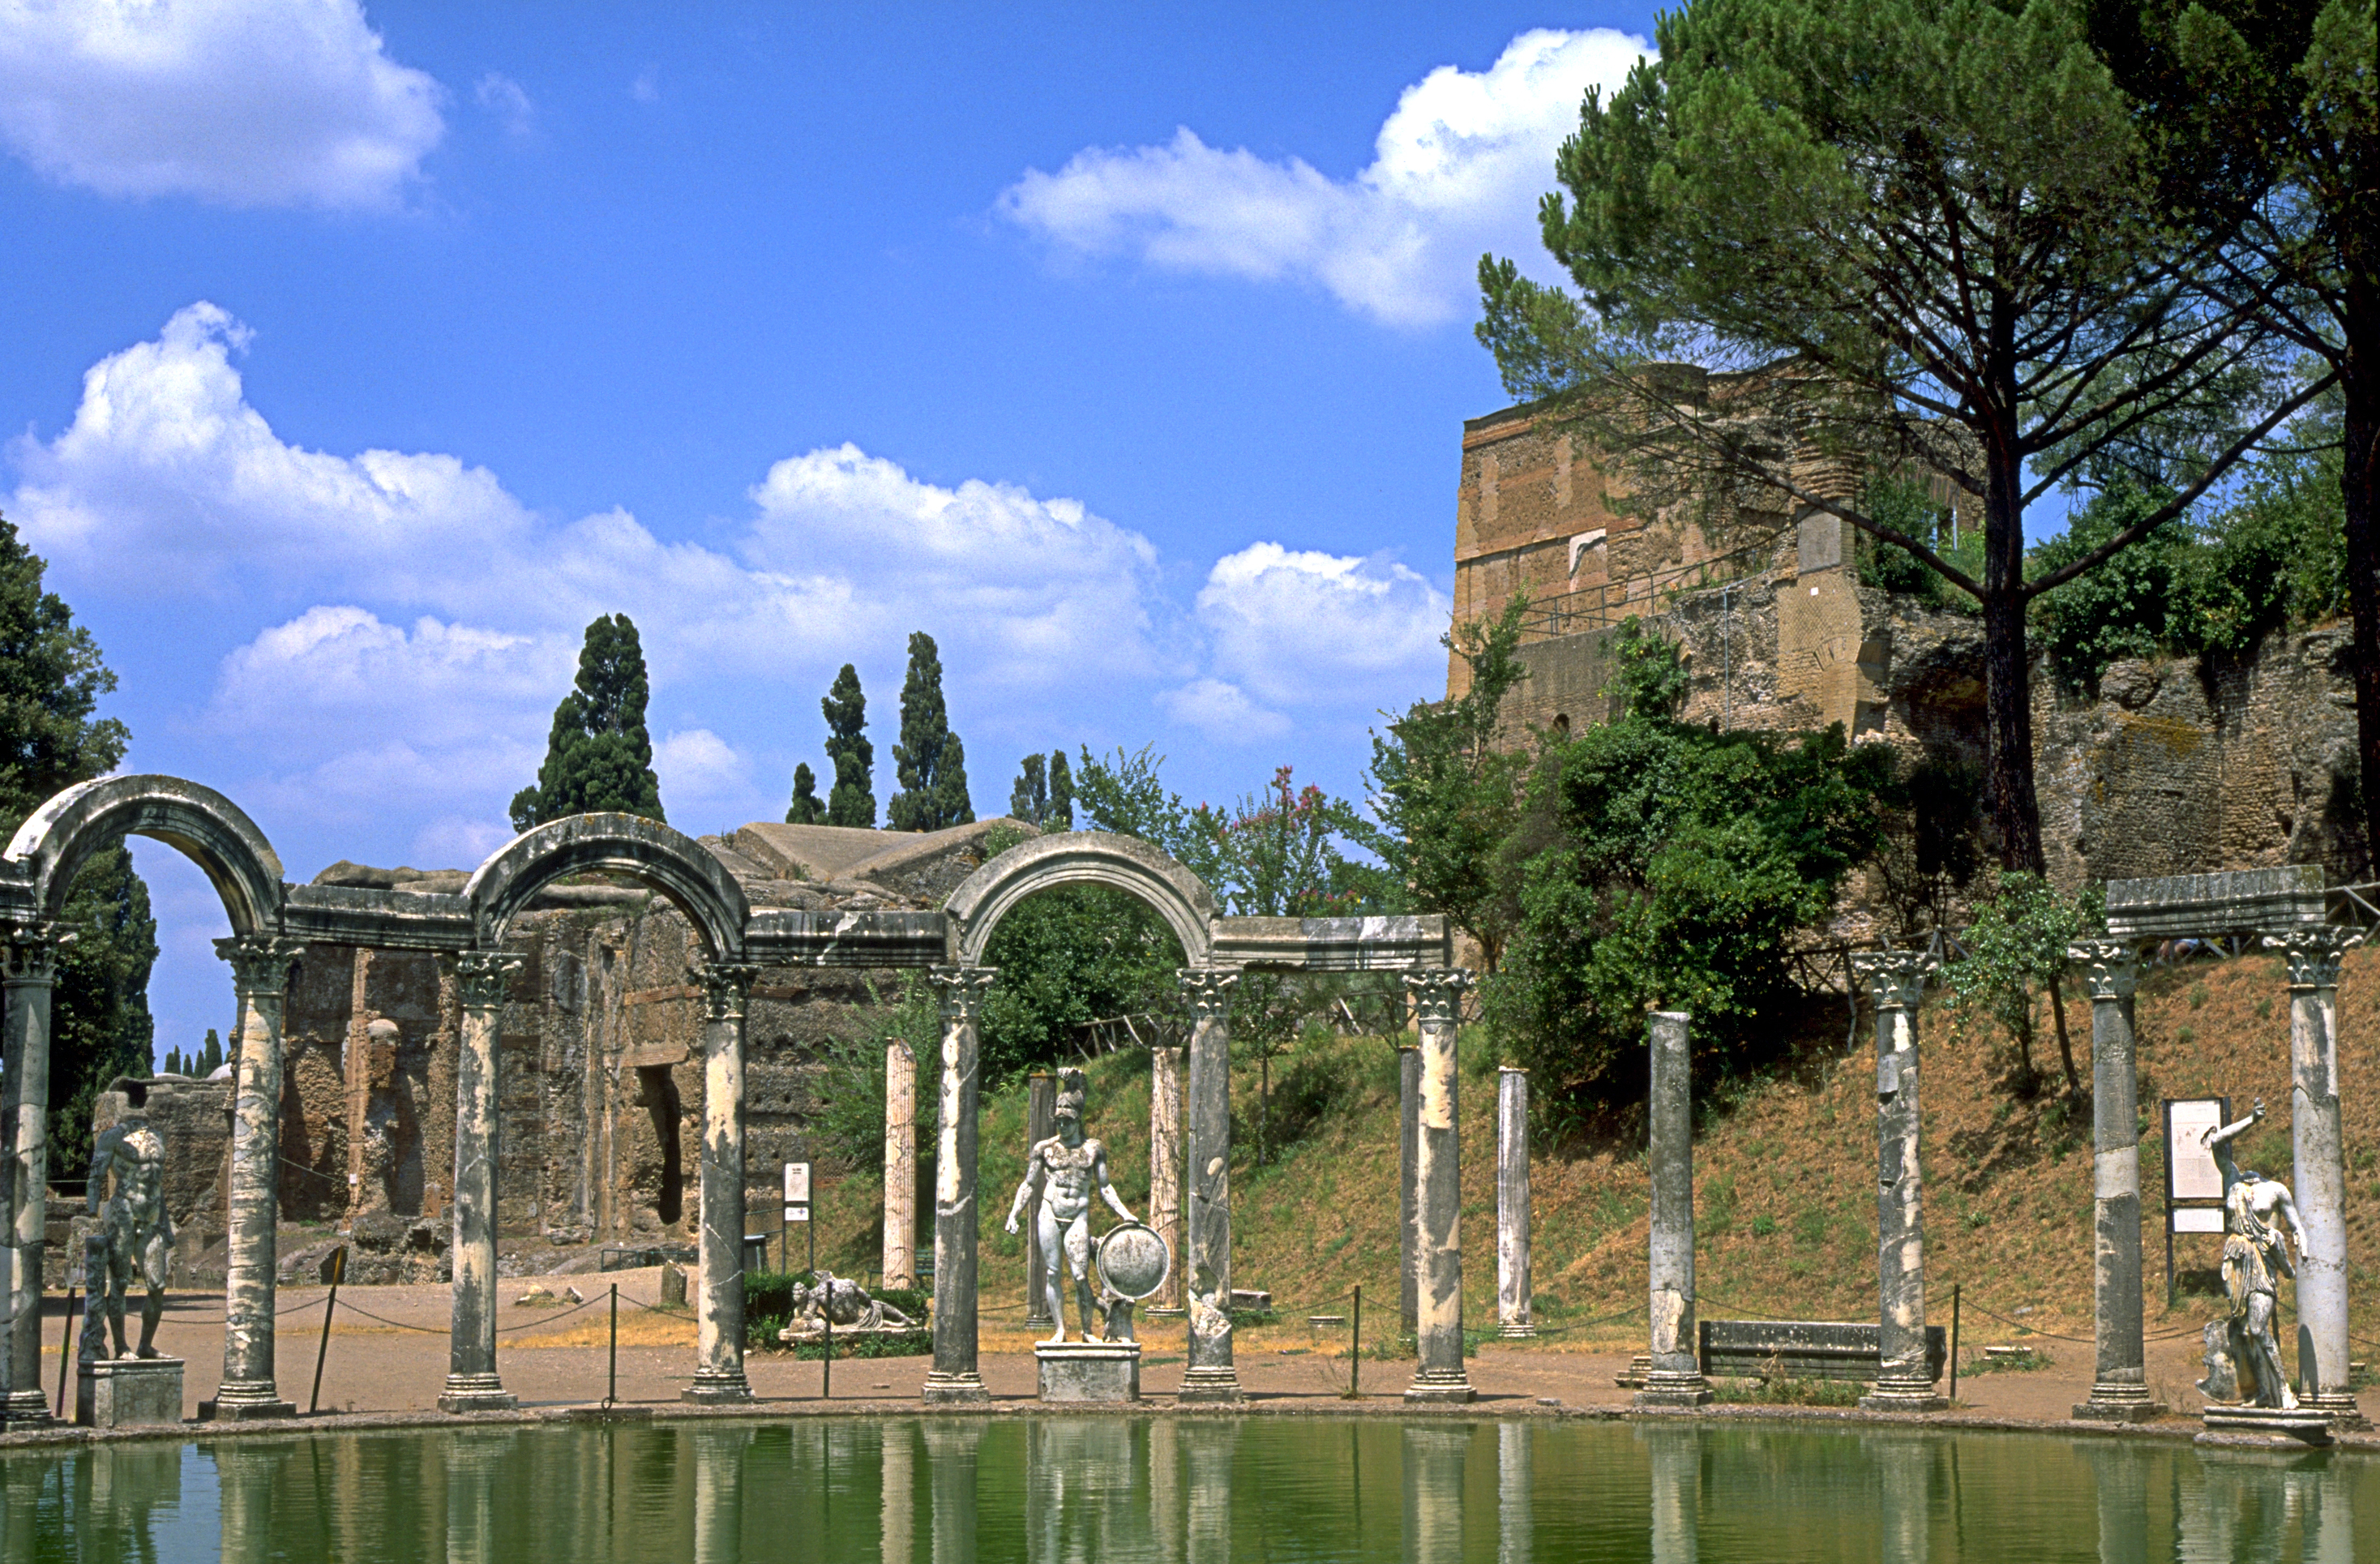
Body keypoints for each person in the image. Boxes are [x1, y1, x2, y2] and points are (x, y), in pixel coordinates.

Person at [1004, 1068, 1136, 1343]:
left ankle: (1086, 1331)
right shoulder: (1045, 1148)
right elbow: (1028, 1184)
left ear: (1077, 1120)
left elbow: (1105, 1187)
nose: (1062, 1127)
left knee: (1079, 1276)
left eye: (1067, 1121)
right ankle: (1061, 1330)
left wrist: (1125, 1213)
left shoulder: (1093, 1149)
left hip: (1077, 1214)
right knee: (1053, 1273)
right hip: (1050, 1212)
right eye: (1058, 1121)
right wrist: (1014, 1214)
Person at [2201, 1099, 2305, 1408]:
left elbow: (2294, 1221)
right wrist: (2251, 1120)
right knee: (2245, 1331)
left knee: (2258, 1327)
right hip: (2235, 1258)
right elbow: (2217, 1141)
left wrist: (2300, 1236)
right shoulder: (2232, 1182)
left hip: (2261, 1259)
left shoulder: (2274, 1189)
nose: (2248, 1174)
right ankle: (2261, 1392)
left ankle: (2284, 1390)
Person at [83, 1080, 173, 1361]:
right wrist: (92, 1215)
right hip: (122, 1212)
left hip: (152, 1217)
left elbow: (158, 1187)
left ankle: (145, 1345)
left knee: (157, 1285)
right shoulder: (112, 1137)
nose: (138, 1105)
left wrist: (167, 1225)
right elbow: (96, 1177)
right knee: (120, 1282)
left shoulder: (158, 1136)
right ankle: (122, 1346)